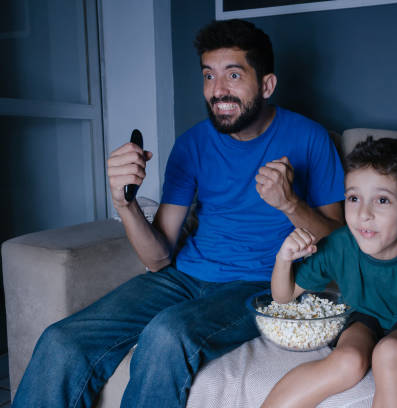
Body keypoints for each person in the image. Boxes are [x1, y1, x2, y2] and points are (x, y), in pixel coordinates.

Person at [12, 19, 345, 408]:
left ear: (267, 85)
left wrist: (290, 204)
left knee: (167, 334)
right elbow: (157, 258)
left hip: (260, 285)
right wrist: (125, 203)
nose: (217, 91)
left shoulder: (310, 138)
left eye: (233, 75)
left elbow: (340, 245)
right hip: (183, 276)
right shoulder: (191, 145)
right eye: (208, 76)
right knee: (61, 340)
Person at [262, 137, 397, 408]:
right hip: (364, 316)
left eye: (382, 200)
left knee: (389, 353)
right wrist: (283, 259)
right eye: (354, 198)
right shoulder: (340, 244)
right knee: (347, 360)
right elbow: (283, 299)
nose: (363, 213)